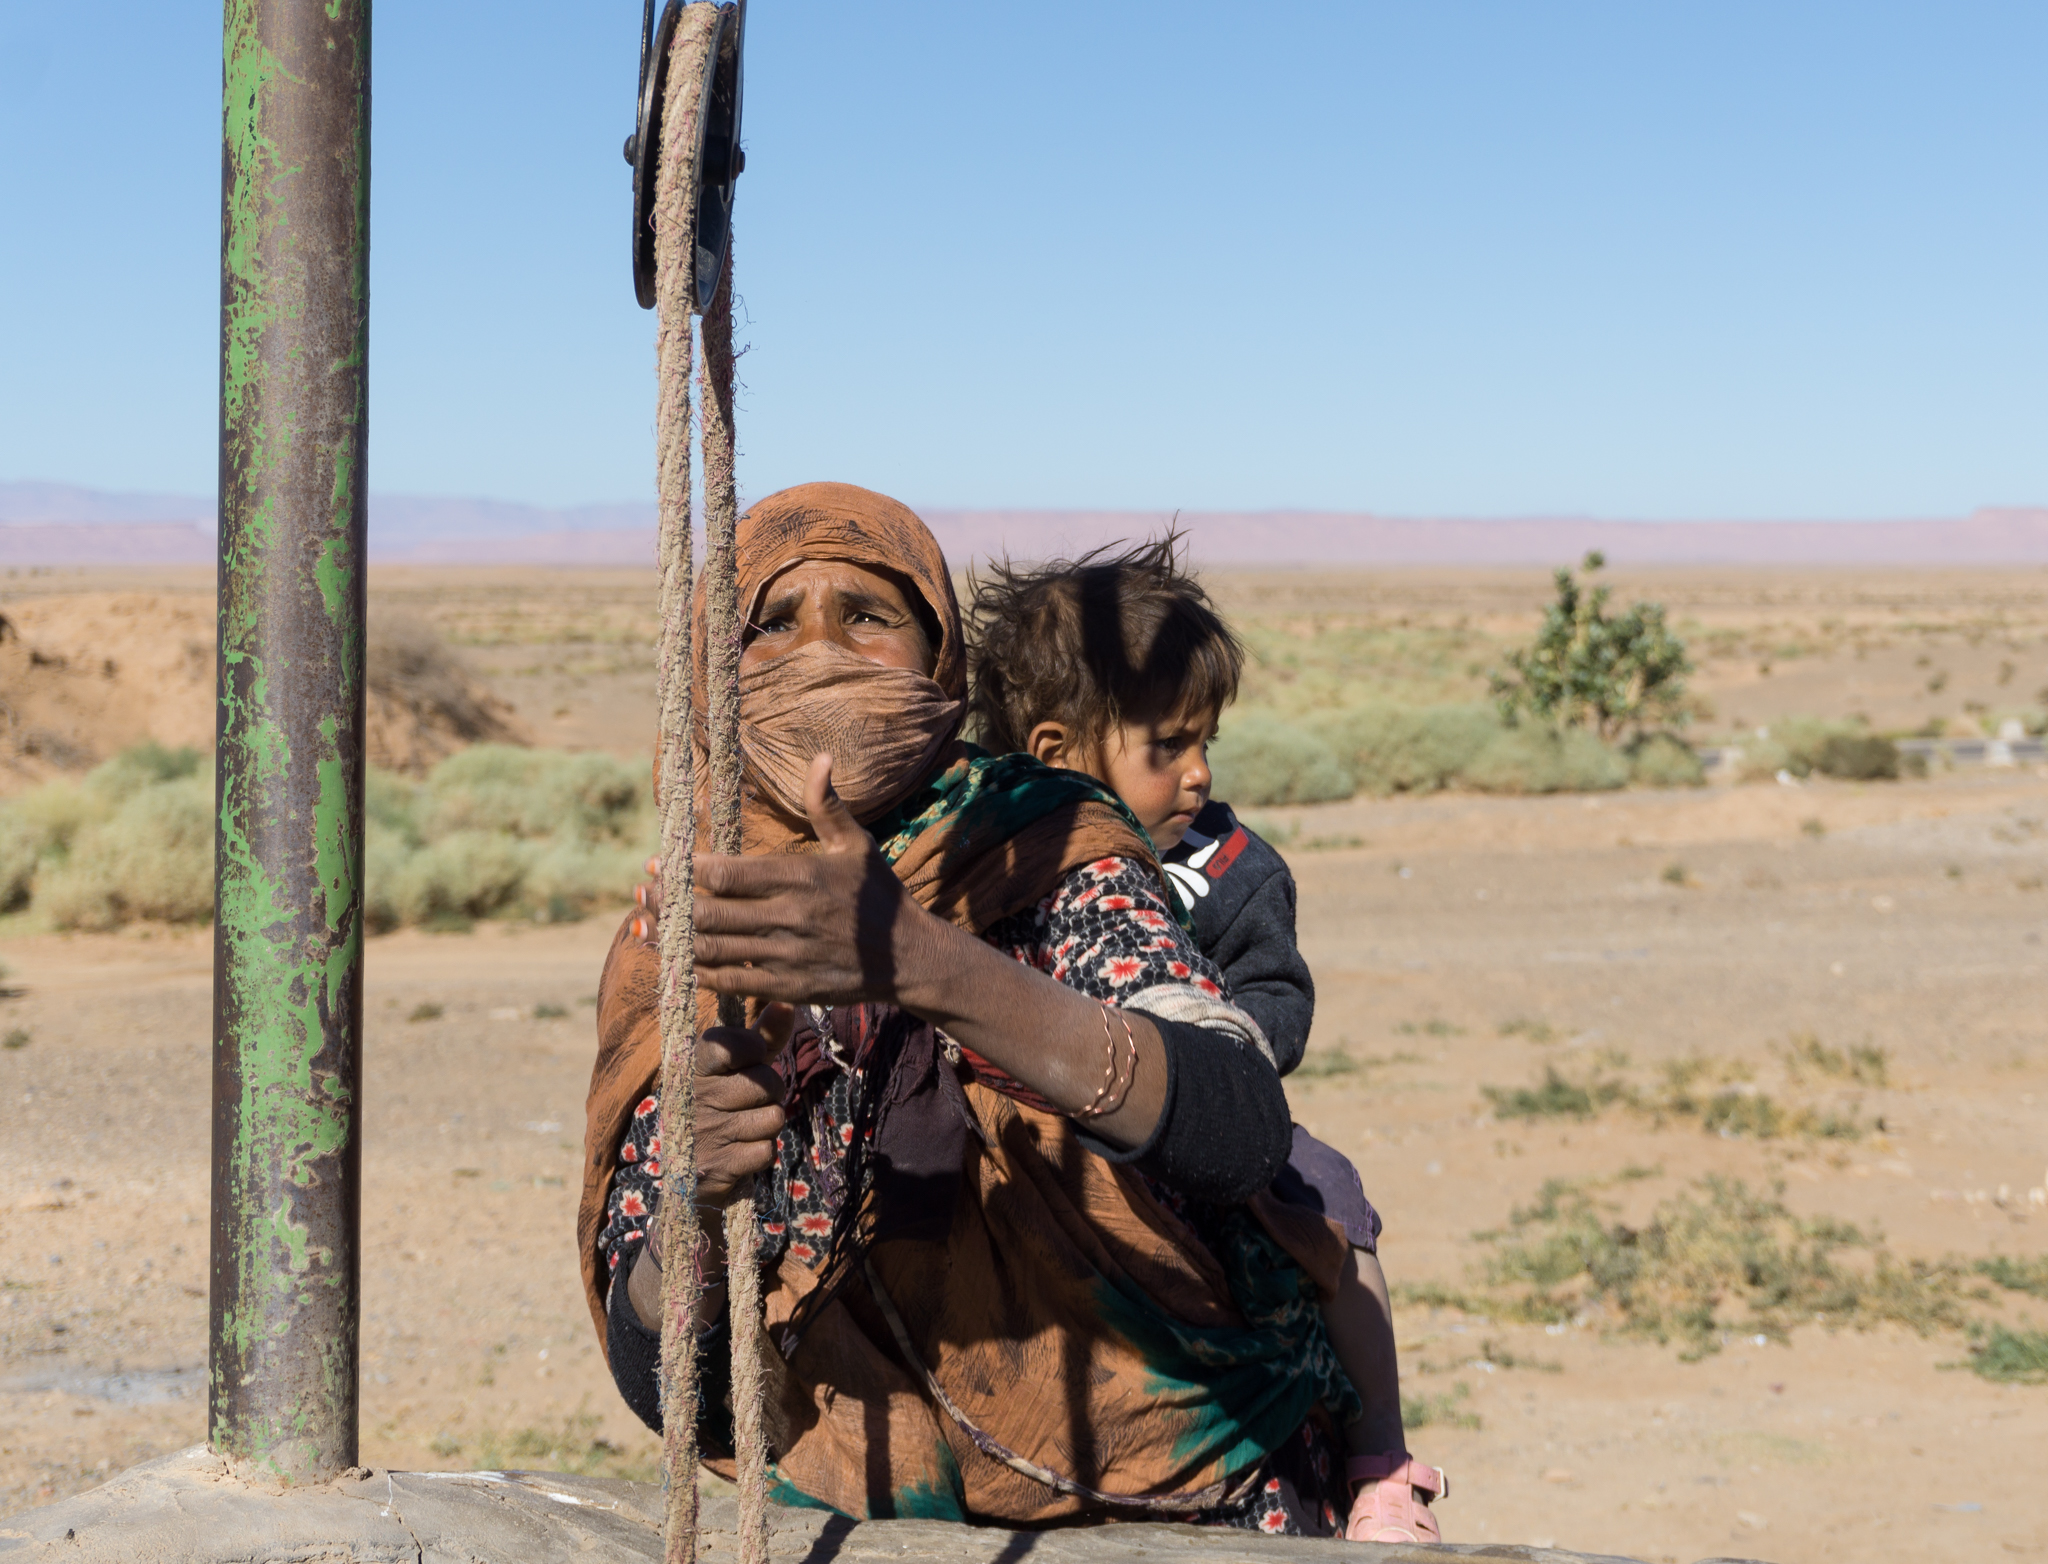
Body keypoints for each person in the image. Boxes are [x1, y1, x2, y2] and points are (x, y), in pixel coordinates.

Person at [579, 483, 1362, 1534]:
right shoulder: (686, 927)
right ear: (714, 668)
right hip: (868, 1519)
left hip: (1178, 1496)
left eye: (866, 614)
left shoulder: (1037, 842)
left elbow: (1235, 1126)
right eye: (771, 621)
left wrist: (924, 963)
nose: (822, 648)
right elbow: (666, 1383)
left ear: (937, 655)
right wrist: (691, 1209)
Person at [965, 535, 1446, 1544]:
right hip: (1027, 1128)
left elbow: (1277, 997)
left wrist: (1214, 1056)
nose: (1199, 773)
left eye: (1207, 741)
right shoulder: (988, 852)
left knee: (1334, 1209)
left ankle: (1382, 1459)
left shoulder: (1228, 866)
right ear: (1054, 753)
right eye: (1170, 745)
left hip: (1211, 1129)